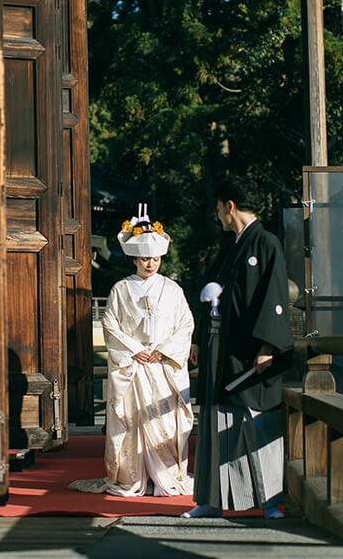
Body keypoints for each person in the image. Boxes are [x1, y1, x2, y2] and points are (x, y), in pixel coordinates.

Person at [182, 175, 294, 519]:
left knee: (256, 421)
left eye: (219, 209)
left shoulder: (265, 243)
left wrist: (267, 345)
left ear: (229, 207)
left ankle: (270, 501)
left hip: (250, 350)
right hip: (222, 347)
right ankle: (210, 500)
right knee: (216, 421)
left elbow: (274, 298)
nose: (219, 216)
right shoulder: (231, 246)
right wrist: (200, 337)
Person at [70, 203, 195, 497]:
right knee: (132, 421)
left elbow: (185, 324)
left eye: (155, 259)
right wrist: (135, 349)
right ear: (134, 259)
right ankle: (131, 476)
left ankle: (165, 474)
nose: (150, 264)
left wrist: (163, 350)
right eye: (144, 259)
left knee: (164, 421)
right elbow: (111, 325)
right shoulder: (121, 289)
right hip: (134, 365)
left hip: (163, 365)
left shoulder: (173, 290)